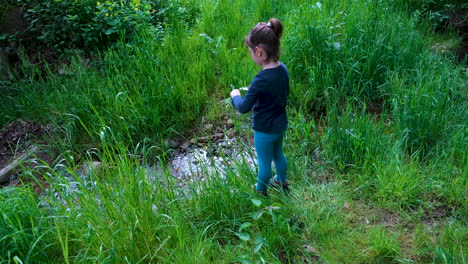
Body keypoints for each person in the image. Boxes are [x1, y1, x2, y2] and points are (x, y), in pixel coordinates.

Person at [230, 18, 289, 196]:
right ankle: (282, 180)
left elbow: (243, 108)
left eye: (250, 51)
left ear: (259, 51)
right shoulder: (283, 69)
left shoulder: (260, 80)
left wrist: (236, 96)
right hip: (280, 124)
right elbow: (280, 91)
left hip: (264, 129)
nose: (251, 55)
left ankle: (260, 191)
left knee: (264, 162)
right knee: (278, 154)